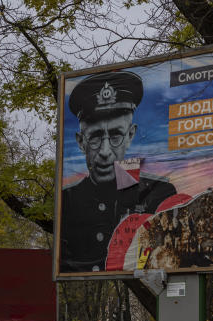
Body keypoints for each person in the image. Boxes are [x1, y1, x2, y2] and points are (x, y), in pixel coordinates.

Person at [59, 70, 176, 273]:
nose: (105, 152)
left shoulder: (159, 194)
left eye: (116, 136)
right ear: (80, 142)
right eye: (95, 137)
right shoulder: (66, 201)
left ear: (130, 135)